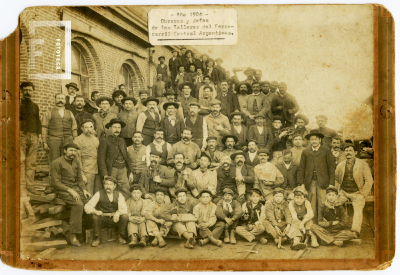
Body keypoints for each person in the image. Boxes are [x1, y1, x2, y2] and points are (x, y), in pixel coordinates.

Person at [51, 143, 92, 246]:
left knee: (89, 203)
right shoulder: (57, 162)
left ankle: (85, 231)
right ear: (65, 151)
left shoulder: (76, 162)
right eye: (71, 150)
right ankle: (72, 235)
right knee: (78, 205)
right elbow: (55, 182)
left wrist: (84, 189)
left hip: (76, 189)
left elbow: (79, 179)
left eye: (74, 151)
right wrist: (70, 190)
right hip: (62, 190)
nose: (73, 153)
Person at [335, 143, 373, 238]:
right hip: (343, 192)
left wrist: (363, 194)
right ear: (344, 153)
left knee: (358, 208)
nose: (348, 153)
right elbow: (336, 179)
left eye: (350, 150)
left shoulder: (362, 164)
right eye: (346, 151)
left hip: (357, 192)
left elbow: (369, 180)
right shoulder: (340, 165)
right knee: (334, 204)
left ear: (355, 152)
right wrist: (336, 192)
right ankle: (336, 229)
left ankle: (355, 231)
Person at [298, 129, 335, 223]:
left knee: (322, 201)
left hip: (323, 181)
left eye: (315, 139)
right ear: (309, 141)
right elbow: (302, 168)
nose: (313, 141)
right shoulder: (306, 152)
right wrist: (301, 183)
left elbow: (331, 168)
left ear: (320, 140)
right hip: (310, 181)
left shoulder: (326, 151)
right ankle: (312, 224)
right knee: (311, 202)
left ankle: (321, 222)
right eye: (311, 139)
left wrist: (331, 183)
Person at [84, 176, 129, 246]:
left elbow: (124, 208)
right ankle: (98, 238)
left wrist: (118, 212)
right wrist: (95, 211)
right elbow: (87, 206)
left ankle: (120, 236)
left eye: (110, 184)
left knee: (124, 216)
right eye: (106, 184)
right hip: (103, 220)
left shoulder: (119, 194)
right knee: (95, 217)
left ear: (114, 186)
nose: (108, 186)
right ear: (104, 185)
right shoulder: (99, 193)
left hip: (114, 220)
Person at [97, 118, 134, 200]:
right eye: (115, 127)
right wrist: (105, 174)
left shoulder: (122, 141)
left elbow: (127, 157)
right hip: (112, 169)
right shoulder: (104, 141)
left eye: (119, 128)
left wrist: (130, 172)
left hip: (123, 170)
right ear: (110, 128)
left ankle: (123, 208)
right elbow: (101, 159)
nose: (117, 130)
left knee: (126, 189)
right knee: (110, 190)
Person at [42, 93, 78, 164]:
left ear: (65, 100)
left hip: (68, 139)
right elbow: (44, 127)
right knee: (54, 160)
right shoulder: (49, 112)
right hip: (54, 140)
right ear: (55, 100)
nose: (60, 100)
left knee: (67, 160)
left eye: (62, 98)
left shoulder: (69, 112)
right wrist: (44, 142)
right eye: (58, 98)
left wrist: (75, 140)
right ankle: (54, 175)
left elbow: (74, 127)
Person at [20, 81, 42, 195]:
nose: (28, 92)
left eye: (30, 90)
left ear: (33, 92)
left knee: (31, 163)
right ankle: (21, 187)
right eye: (25, 90)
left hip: (33, 136)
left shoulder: (35, 106)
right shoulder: (17, 104)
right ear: (22, 91)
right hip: (21, 136)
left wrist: (39, 135)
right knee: (21, 161)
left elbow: (38, 121)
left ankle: (30, 186)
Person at [74, 119, 101, 195]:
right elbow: (77, 159)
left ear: (93, 128)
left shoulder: (95, 139)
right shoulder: (78, 140)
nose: (89, 129)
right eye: (86, 127)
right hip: (86, 171)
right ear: (82, 128)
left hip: (97, 170)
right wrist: (81, 174)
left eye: (91, 127)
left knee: (97, 193)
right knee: (88, 193)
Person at [287, 186, 315, 250]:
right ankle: (296, 241)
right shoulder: (291, 203)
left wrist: (302, 223)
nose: (299, 200)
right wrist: (300, 224)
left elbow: (310, 214)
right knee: (295, 225)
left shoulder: (307, 202)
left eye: (301, 198)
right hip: (297, 220)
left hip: (305, 220)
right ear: (293, 197)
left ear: (304, 198)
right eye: (297, 198)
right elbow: (294, 216)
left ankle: (312, 238)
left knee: (310, 223)